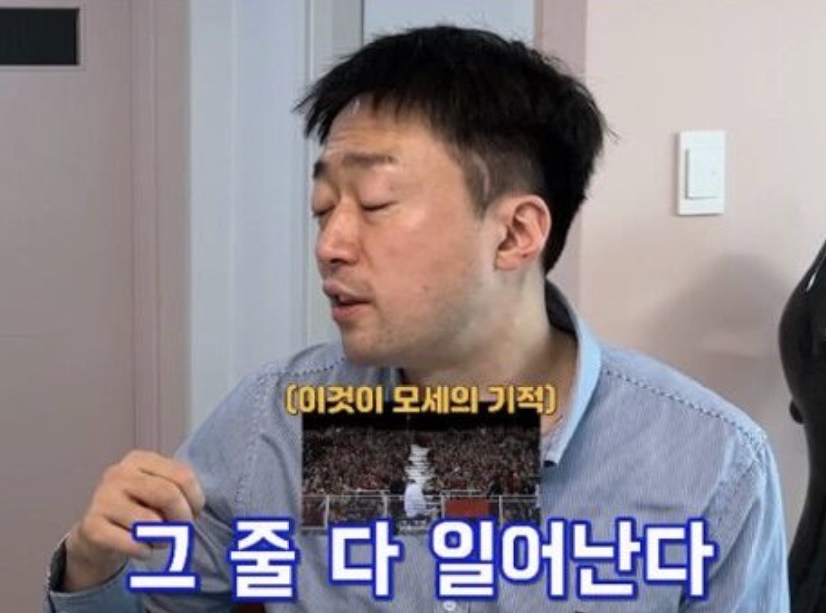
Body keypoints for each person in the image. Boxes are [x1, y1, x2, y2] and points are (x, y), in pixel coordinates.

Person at [44, 25, 788, 612]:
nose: (330, 244)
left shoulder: (710, 466)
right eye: (323, 207)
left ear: (515, 233)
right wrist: (92, 567)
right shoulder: (272, 426)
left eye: (374, 204)